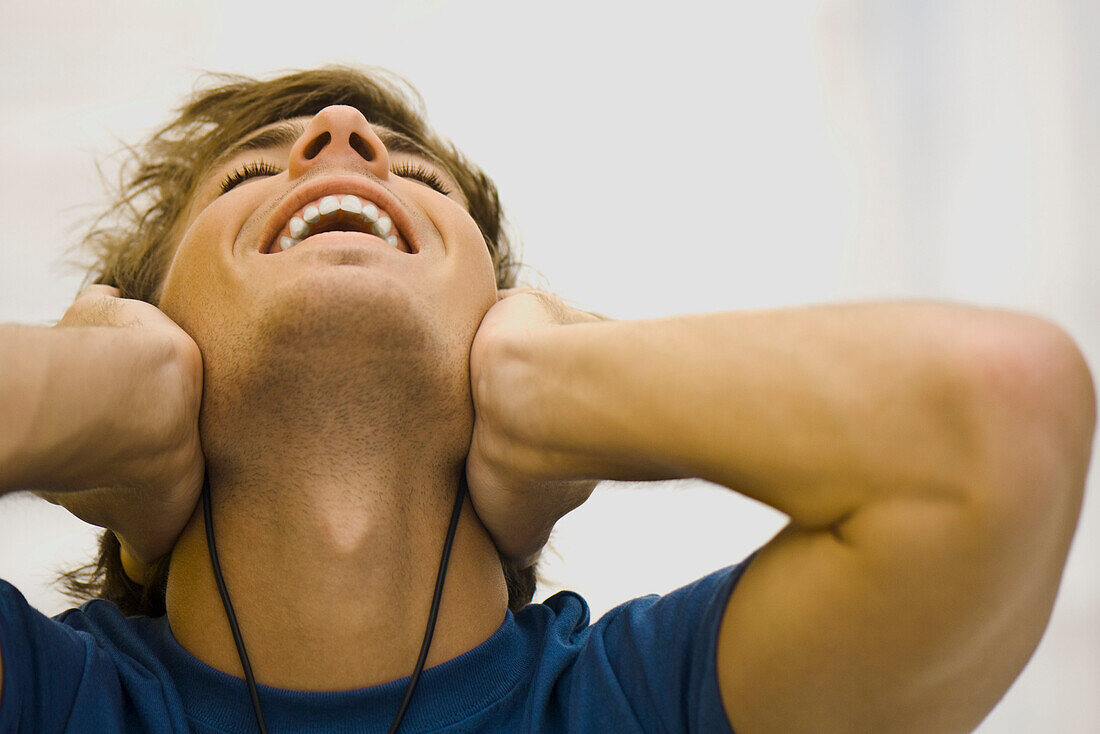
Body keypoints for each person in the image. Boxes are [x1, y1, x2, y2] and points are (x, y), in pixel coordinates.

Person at [0, 63, 1094, 734]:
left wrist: (543, 391)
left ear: (501, 321)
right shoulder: (46, 699)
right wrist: (108, 399)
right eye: (251, 175)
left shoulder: (647, 707)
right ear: (146, 324)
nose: (344, 135)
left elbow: (1000, 417)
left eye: (415, 181)